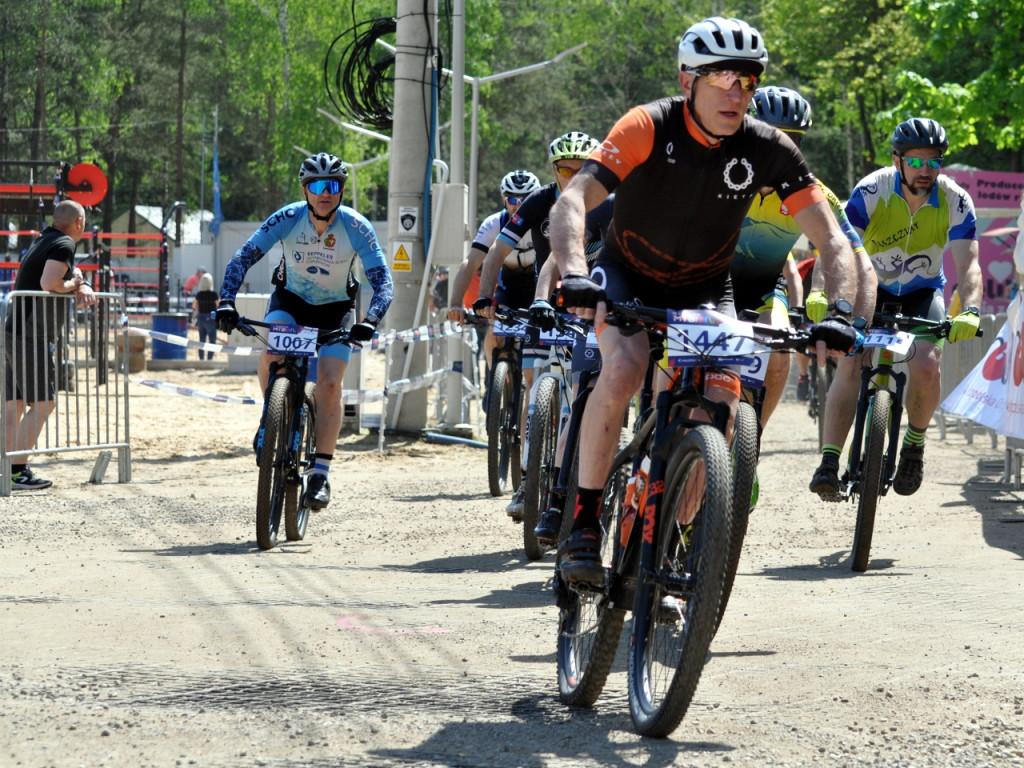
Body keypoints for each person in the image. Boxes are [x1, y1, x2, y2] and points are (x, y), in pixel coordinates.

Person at [548, 17, 865, 585]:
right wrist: (575, 273)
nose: (735, 92)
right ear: (686, 79)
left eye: (747, 80)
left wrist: (838, 313)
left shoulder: (769, 149)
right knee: (622, 368)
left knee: (719, 401)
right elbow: (573, 200)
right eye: (721, 76)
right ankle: (585, 521)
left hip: (703, 287)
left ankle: (667, 543)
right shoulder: (648, 125)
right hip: (628, 274)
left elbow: (832, 239)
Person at [809, 117, 983, 500]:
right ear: (897, 160)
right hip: (870, 290)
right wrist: (823, 292)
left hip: (921, 293)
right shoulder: (871, 189)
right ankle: (828, 461)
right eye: (916, 162)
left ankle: (914, 447)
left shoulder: (955, 200)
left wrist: (969, 310)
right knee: (851, 361)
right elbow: (833, 245)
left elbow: (968, 265)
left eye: (934, 162)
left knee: (926, 362)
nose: (925, 170)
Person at [215, 152, 393, 511]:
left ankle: (321, 474)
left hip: (337, 310)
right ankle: (272, 415)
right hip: (291, 300)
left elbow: (382, 280)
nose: (324, 193)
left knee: (329, 382)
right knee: (273, 352)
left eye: (332, 185)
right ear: (305, 190)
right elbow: (243, 257)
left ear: (341, 191)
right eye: (316, 186)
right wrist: (226, 302)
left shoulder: (357, 226)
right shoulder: (287, 218)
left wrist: (370, 320)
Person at [472, 137, 600, 520]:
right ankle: (529, 478)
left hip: (596, 303)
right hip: (548, 303)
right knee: (534, 385)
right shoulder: (540, 202)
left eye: (582, 169)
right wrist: (484, 297)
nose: (573, 177)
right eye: (565, 170)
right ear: (553, 170)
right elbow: (497, 251)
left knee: (589, 390)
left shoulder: (607, 202)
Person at [731, 85, 869, 426]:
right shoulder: (718, 172)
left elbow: (856, 259)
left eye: (794, 140)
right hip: (702, 282)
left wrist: (845, 317)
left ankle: (750, 444)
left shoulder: (813, 193)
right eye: (771, 137)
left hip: (764, 288)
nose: (783, 149)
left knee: (779, 355)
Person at [4, 200, 97, 490]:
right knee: (45, 403)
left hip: (14, 328)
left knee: (14, 404)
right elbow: (49, 282)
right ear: (79, 223)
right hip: (32, 333)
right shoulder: (66, 243)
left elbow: (54, 275)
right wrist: (75, 282)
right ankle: (16, 472)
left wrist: (79, 282)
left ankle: (7, 469)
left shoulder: (43, 239)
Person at [447, 169, 542, 397]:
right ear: (503, 199)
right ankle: (494, 383)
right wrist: (455, 303)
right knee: (493, 332)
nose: (518, 206)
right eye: (512, 199)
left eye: (526, 199)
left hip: (538, 288)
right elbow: (470, 263)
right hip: (509, 289)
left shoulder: (543, 223)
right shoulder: (494, 224)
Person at [192, 272, 219, 360]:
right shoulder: (214, 294)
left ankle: (201, 359)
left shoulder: (199, 294)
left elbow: (194, 306)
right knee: (212, 340)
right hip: (211, 317)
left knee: (202, 340)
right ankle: (209, 359)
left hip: (201, 317)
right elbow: (218, 305)